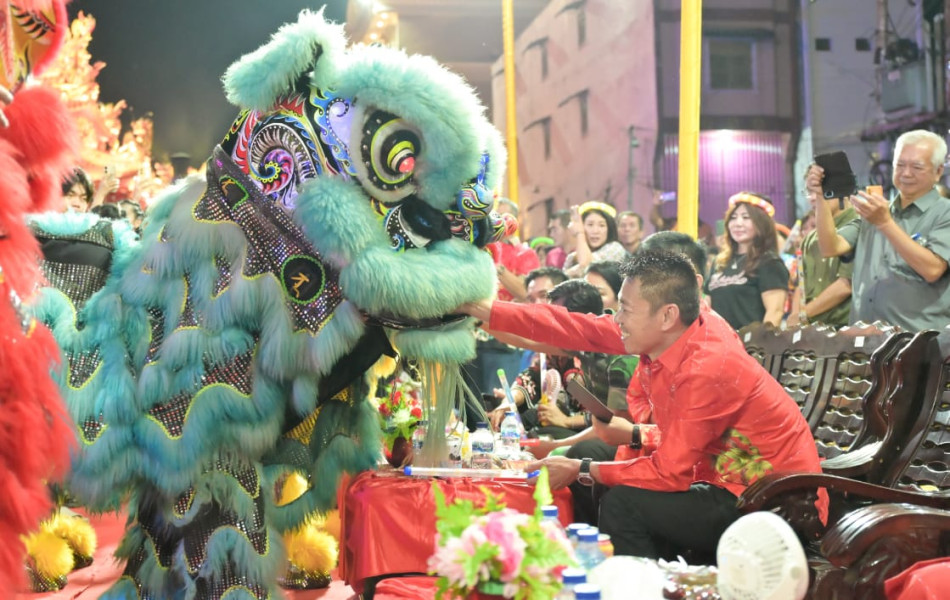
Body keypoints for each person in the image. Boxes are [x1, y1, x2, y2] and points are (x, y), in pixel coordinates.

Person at [460, 250, 826, 561]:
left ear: (666, 314)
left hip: (770, 500)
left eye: (624, 310)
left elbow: (670, 473)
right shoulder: (676, 329)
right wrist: (486, 309)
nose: (615, 319)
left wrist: (580, 467)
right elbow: (576, 327)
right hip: (719, 472)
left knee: (622, 502)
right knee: (605, 460)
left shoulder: (706, 365)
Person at [810, 130, 950, 331]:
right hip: (865, 342)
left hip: (918, 344)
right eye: (900, 165)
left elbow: (933, 270)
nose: (906, 173)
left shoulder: (944, 213)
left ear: (938, 172)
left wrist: (885, 223)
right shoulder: (874, 212)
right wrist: (821, 198)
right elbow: (830, 247)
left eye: (917, 167)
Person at [705, 192, 789, 329]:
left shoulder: (769, 263)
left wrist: (760, 347)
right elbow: (707, 306)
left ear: (761, 223)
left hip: (750, 346)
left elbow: (775, 312)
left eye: (746, 217)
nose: (738, 224)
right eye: (733, 218)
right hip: (718, 345)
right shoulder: (719, 262)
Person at [787, 190, 857, 328]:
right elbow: (801, 285)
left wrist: (803, 314)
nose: (813, 198)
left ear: (842, 189)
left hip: (845, 328)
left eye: (821, 191)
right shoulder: (809, 239)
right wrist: (796, 316)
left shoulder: (859, 226)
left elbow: (846, 285)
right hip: (810, 329)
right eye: (809, 191)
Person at [563, 201, 627, 277]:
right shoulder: (572, 257)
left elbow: (586, 265)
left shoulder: (615, 249)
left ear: (609, 229)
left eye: (601, 225)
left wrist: (579, 233)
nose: (595, 231)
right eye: (590, 225)